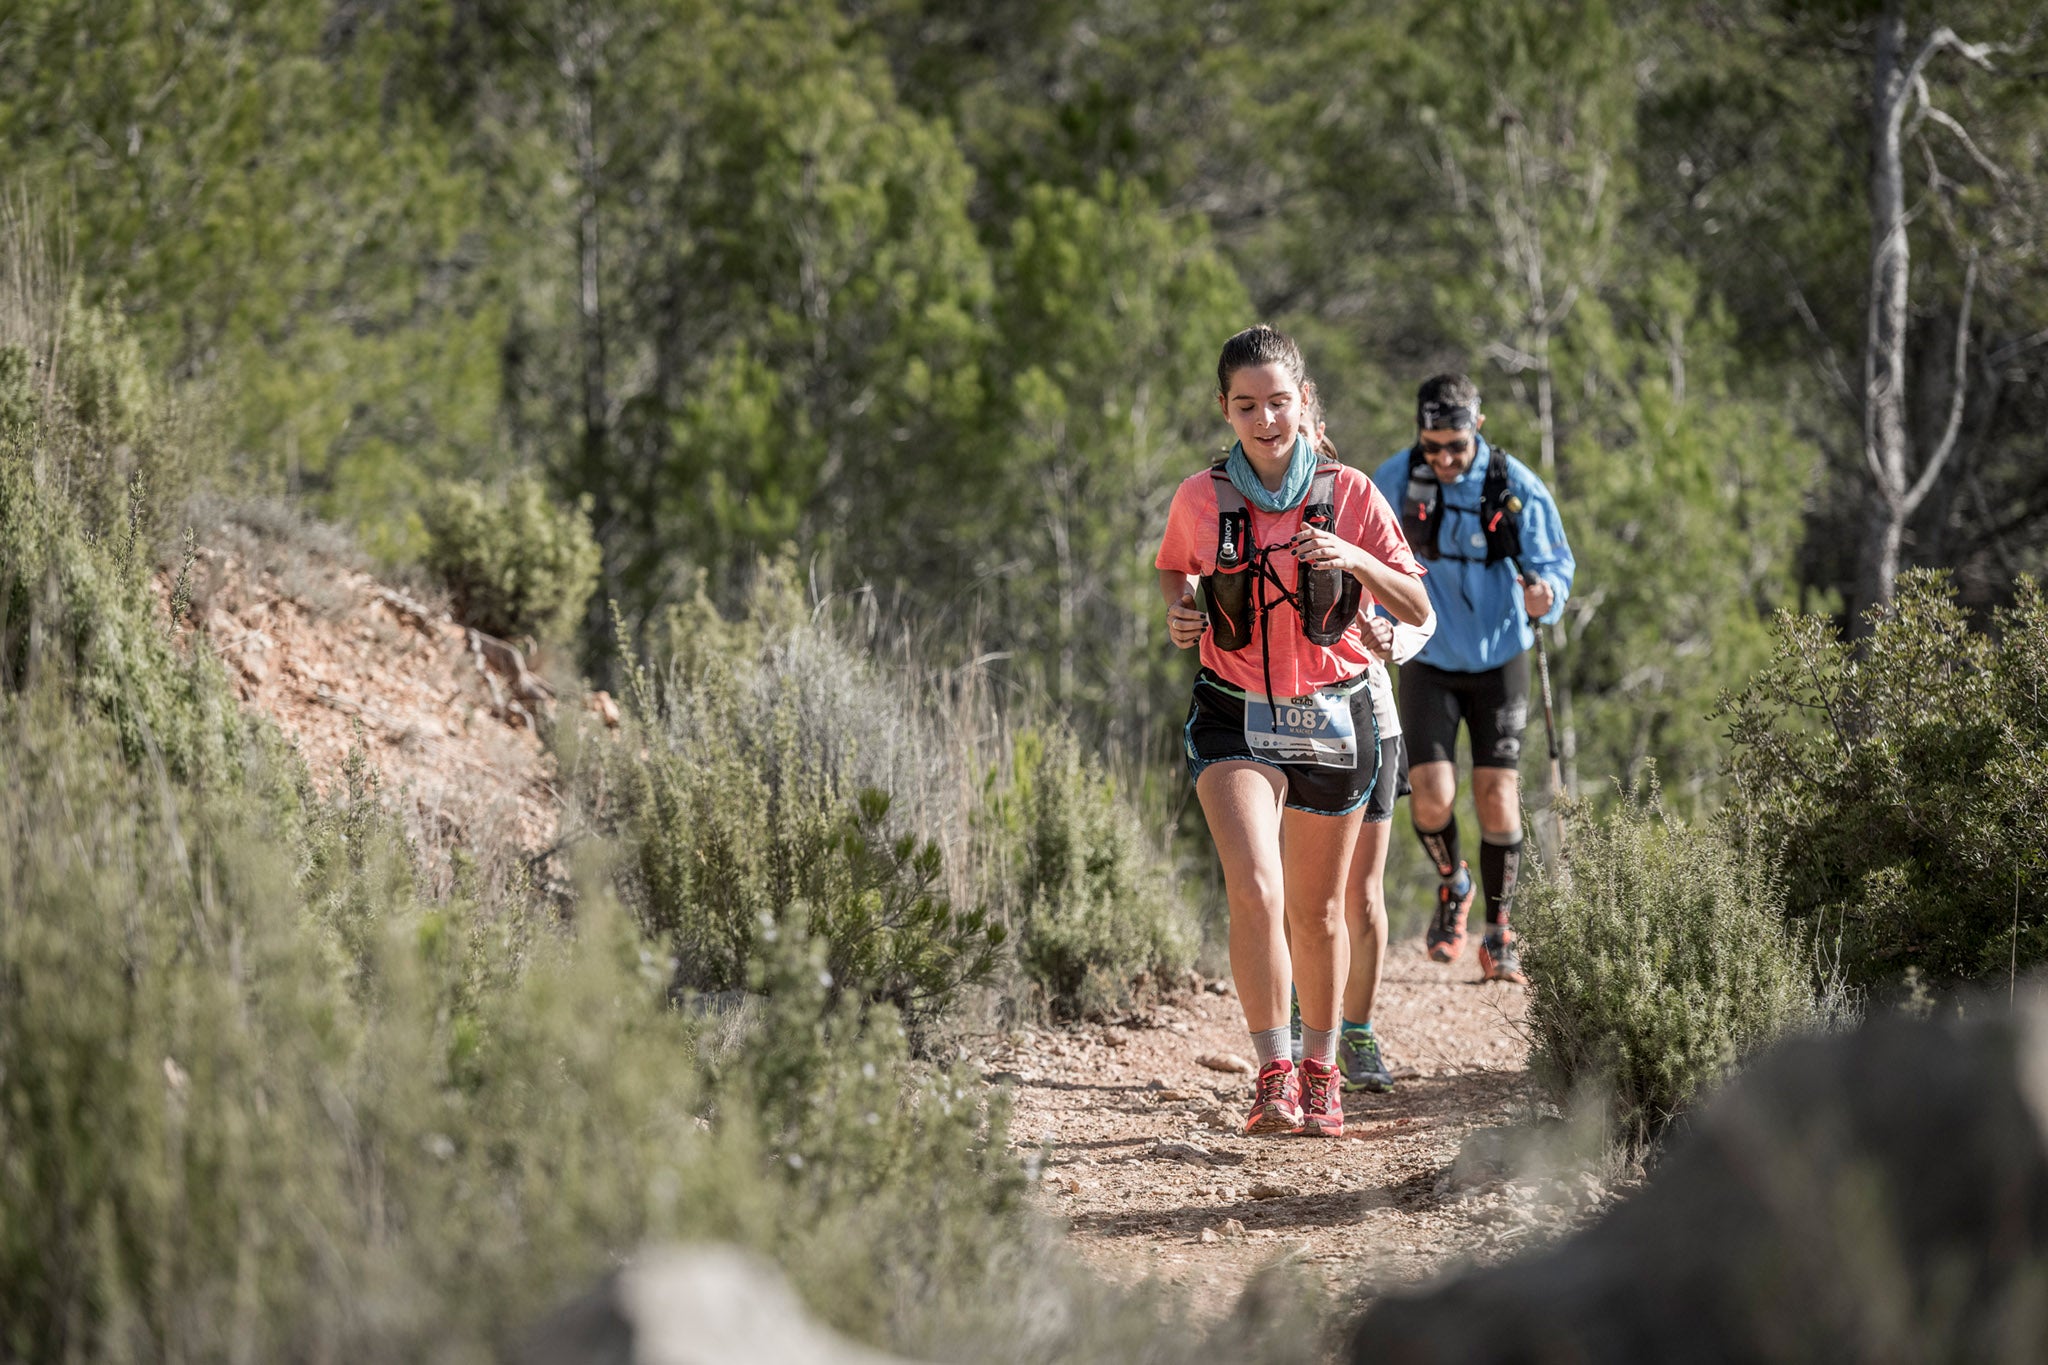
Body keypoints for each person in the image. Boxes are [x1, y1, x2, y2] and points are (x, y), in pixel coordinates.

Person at [1157, 325, 1429, 1139]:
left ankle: (1322, 1070)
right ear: (1225, 409)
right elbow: (1177, 562)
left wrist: (1352, 557)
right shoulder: (1201, 497)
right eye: (1247, 406)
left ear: (1303, 401)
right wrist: (1181, 609)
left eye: (1278, 402)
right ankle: (1272, 1072)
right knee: (1256, 889)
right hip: (1233, 707)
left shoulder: (1349, 494)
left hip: (1333, 714)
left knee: (1316, 912)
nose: (1265, 419)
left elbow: (1416, 606)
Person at [1370, 374, 1574, 985]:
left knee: (1496, 795)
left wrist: (1547, 596)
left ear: (1477, 426)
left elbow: (1554, 566)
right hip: (1428, 654)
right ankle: (1452, 884)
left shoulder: (1512, 486)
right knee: (1430, 793)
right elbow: (1366, 554)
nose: (1444, 458)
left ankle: (1498, 930)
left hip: (1500, 658)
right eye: (1432, 445)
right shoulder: (1396, 481)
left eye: (1455, 444)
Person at [1296, 381, 1437, 1094]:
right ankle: (1306, 1017)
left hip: (1370, 719)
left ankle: (1357, 1032)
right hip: (1289, 720)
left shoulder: (1353, 500)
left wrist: (1393, 637)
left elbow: (1418, 613)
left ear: (1316, 426)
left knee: (1361, 892)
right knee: (1303, 891)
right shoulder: (1251, 508)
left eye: (1302, 423)